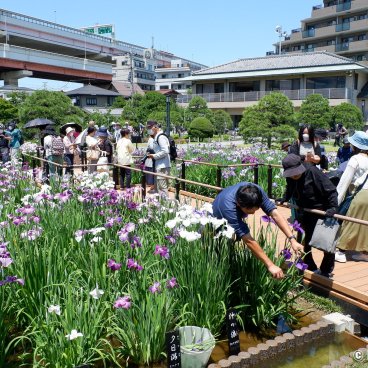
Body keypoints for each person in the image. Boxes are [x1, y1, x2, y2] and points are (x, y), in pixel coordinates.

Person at [212, 182, 304, 279]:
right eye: (249, 211)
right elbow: (248, 240)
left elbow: (275, 214)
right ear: (239, 204)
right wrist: (270, 265)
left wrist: (292, 240)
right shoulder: (229, 210)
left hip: (230, 214)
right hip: (215, 222)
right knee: (217, 254)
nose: (253, 213)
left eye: (256, 210)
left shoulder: (255, 191)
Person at [279, 154, 338, 278]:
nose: (294, 175)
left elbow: (331, 190)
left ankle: (326, 270)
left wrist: (333, 207)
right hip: (305, 211)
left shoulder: (312, 171)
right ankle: (310, 266)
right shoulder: (291, 177)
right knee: (307, 242)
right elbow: (290, 188)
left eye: (296, 172)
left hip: (321, 211)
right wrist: (285, 198)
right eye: (291, 173)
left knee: (326, 243)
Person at [335, 131, 368, 263]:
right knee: (365, 224)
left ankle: (341, 251)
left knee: (350, 221)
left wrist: (335, 201)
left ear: (355, 146)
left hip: (358, 194)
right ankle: (365, 253)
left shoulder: (355, 159)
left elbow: (344, 182)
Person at [146, 120, 171, 196]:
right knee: (158, 188)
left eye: (150, 127)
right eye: (148, 128)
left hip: (162, 166)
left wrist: (153, 156)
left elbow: (165, 151)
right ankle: (160, 205)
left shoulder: (160, 137)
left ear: (155, 127)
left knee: (162, 188)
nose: (149, 129)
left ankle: (165, 205)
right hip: (160, 165)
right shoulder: (156, 137)